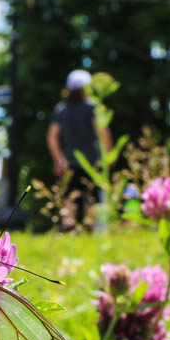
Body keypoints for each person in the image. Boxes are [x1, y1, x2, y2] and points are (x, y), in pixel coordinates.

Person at [46, 69, 113, 227]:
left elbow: (52, 136)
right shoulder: (92, 108)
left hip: (69, 163)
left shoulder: (61, 110)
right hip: (91, 162)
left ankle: (69, 231)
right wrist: (108, 156)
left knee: (70, 201)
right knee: (92, 200)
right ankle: (89, 231)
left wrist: (58, 159)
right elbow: (103, 132)